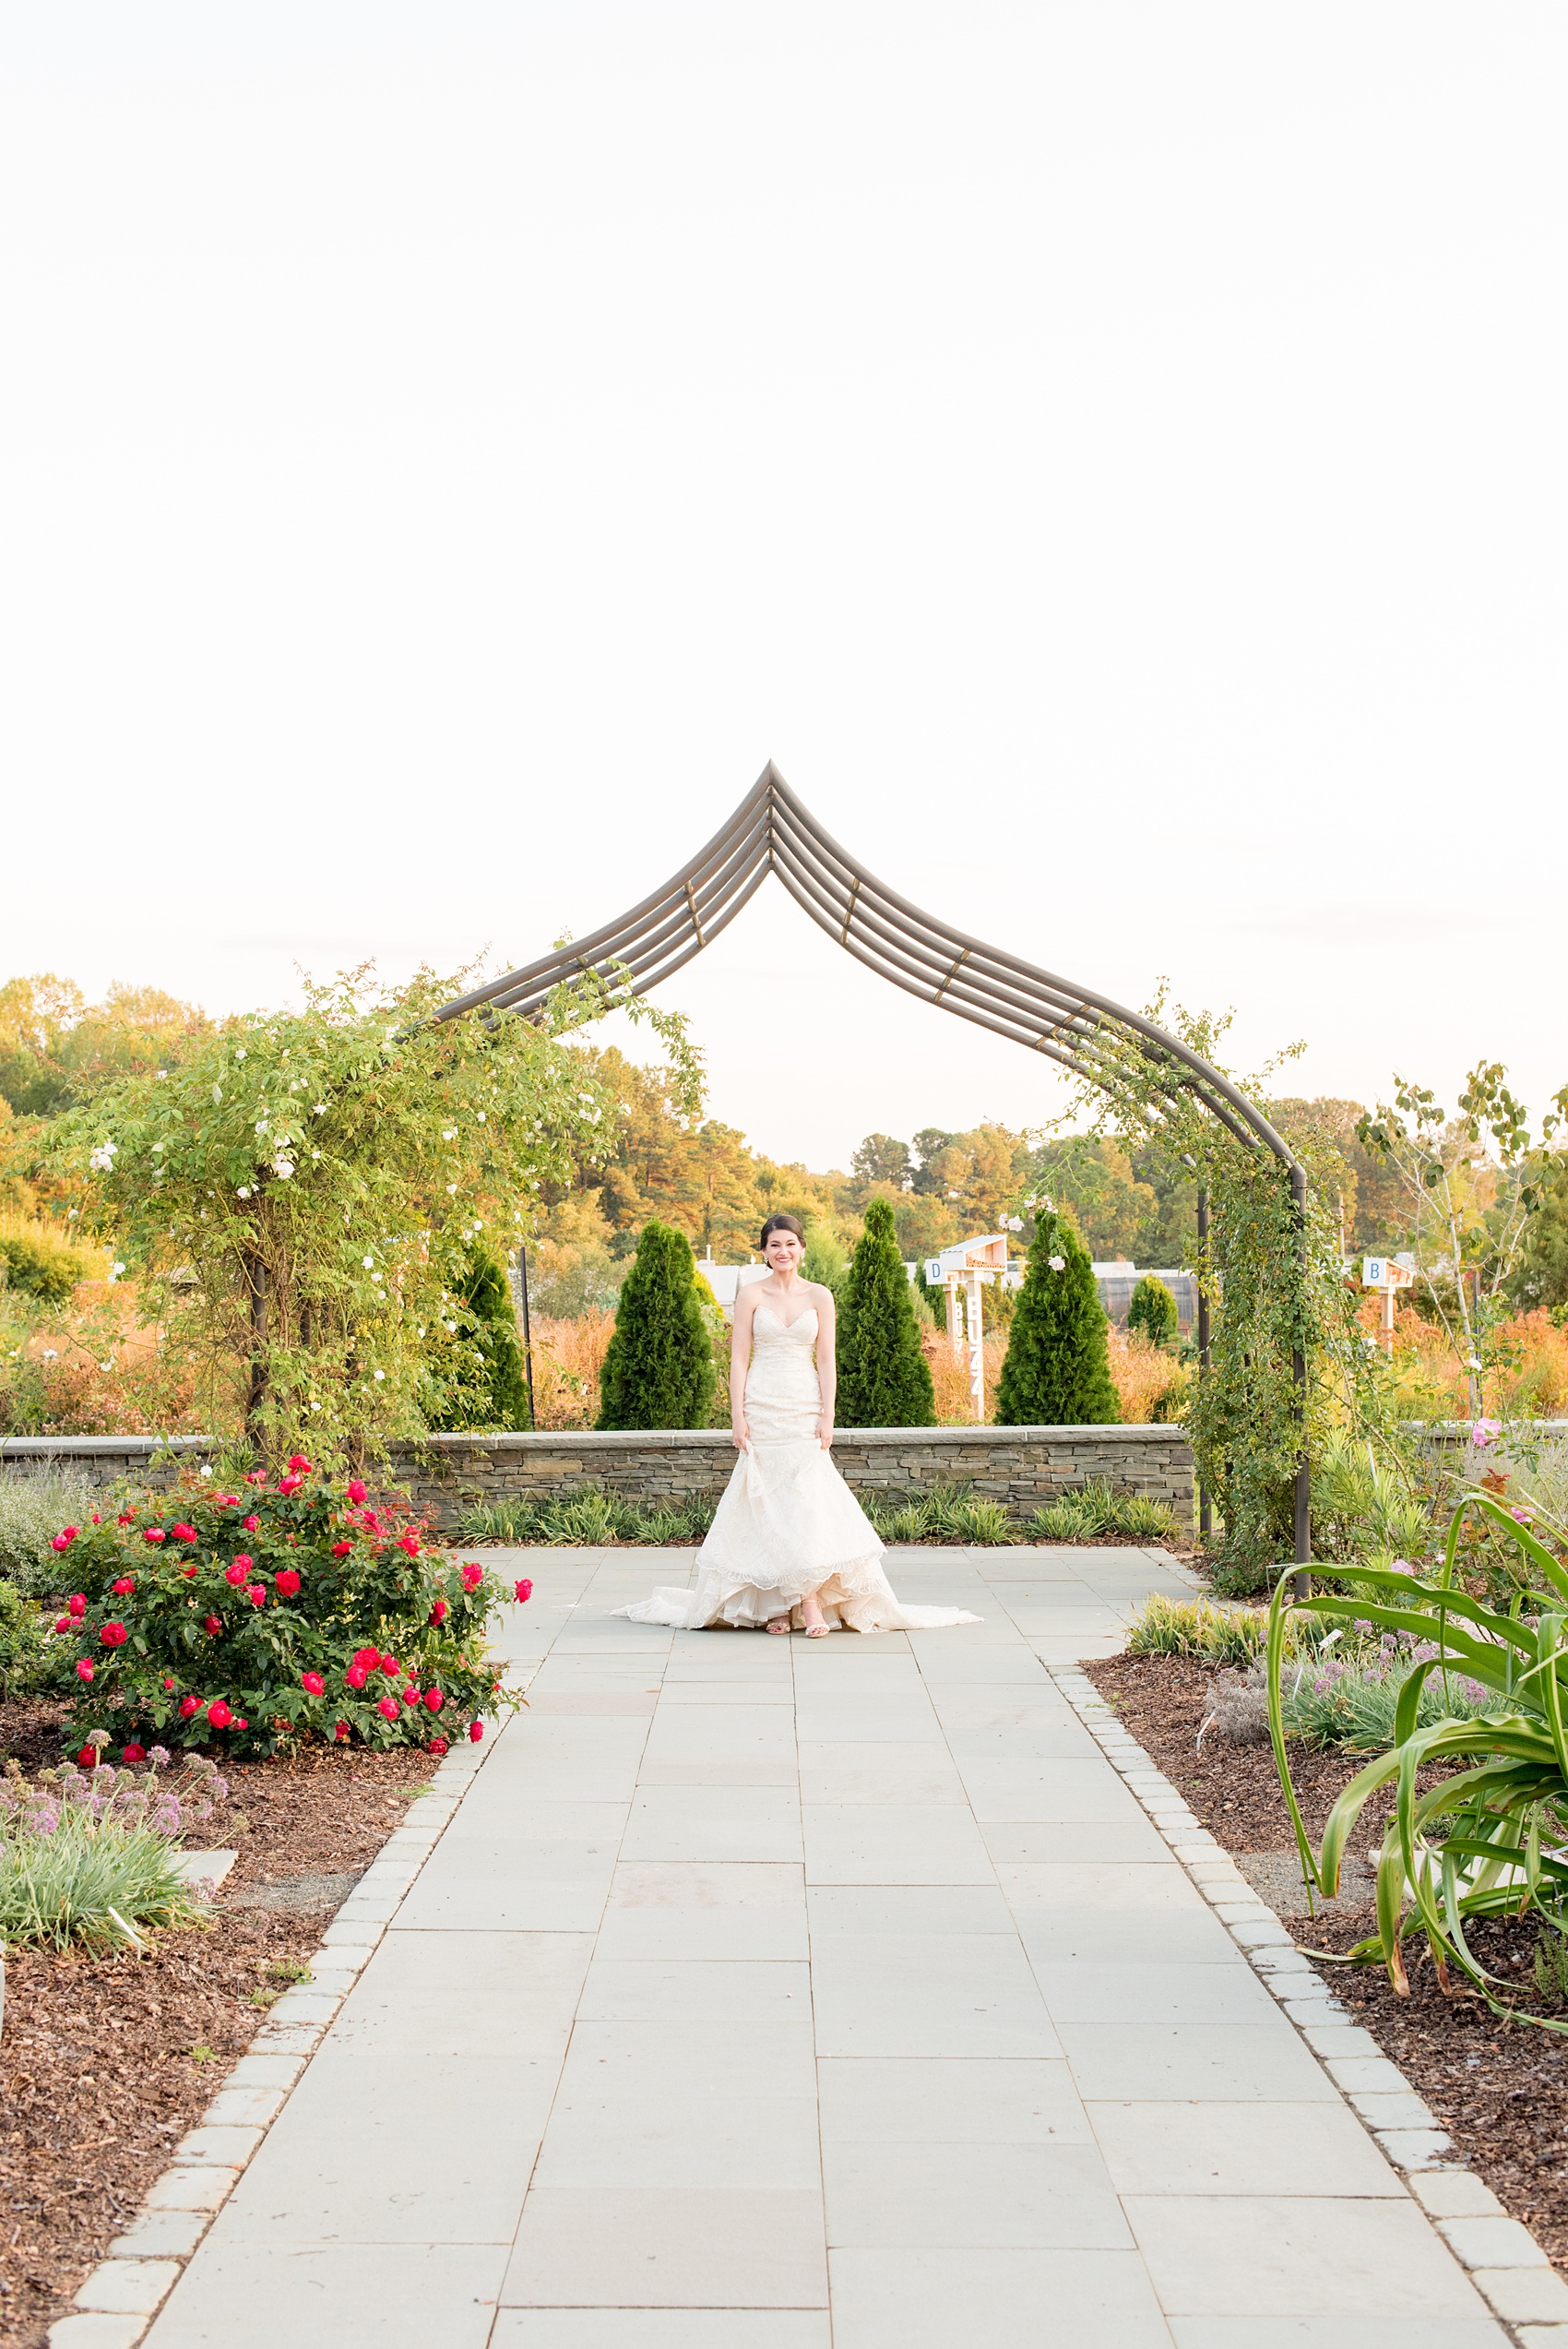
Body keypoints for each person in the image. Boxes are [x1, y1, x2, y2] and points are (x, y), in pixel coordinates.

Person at [614, 1212, 980, 1634]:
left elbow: (826, 1359)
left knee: (806, 1501)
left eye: (789, 1243)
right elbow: (738, 1359)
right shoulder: (750, 1294)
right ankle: (775, 1605)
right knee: (766, 1502)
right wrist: (737, 1414)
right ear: (765, 1253)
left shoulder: (820, 1296)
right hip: (763, 1404)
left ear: (801, 1249)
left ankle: (807, 1603)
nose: (782, 1251)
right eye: (774, 1245)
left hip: (804, 1405)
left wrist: (829, 1413)